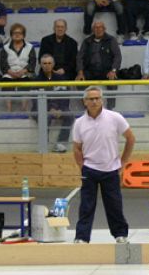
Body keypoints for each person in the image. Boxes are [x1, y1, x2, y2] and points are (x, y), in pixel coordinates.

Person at [72, 86, 135, 243]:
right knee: (86, 206)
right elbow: (77, 148)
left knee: (114, 205)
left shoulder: (115, 117)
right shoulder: (79, 123)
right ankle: (81, 237)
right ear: (84, 102)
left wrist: (123, 161)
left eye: (97, 98)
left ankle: (120, 235)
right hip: (89, 170)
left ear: (102, 100)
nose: (94, 101)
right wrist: (82, 167)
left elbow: (130, 138)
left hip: (111, 169)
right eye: (90, 99)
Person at [76, 19, 121, 109]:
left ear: (104, 29)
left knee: (113, 82)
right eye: (96, 28)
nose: (98, 29)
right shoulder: (87, 41)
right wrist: (80, 72)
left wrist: (113, 70)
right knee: (80, 83)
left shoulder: (111, 40)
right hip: (90, 70)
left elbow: (117, 56)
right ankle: (86, 107)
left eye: (100, 27)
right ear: (93, 30)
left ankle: (110, 108)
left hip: (107, 70)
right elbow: (79, 57)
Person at [35, 54, 71, 153]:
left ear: (53, 64)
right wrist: (50, 109)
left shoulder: (60, 78)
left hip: (59, 107)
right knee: (45, 116)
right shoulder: (36, 80)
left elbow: (65, 96)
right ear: (40, 65)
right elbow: (35, 101)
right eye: (44, 63)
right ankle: (44, 144)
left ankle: (61, 144)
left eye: (49, 63)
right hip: (43, 108)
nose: (47, 65)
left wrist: (60, 109)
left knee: (70, 115)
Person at [0, 23, 36, 111]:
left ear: (23, 35)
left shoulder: (30, 47)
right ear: (11, 35)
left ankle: (24, 109)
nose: (17, 35)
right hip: (10, 73)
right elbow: (3, 64)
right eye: (15, 33)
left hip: (24, 73)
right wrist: (11, 72)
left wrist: (23, 71)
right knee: (6, 83)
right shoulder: (5, 48)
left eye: (20, 33)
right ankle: (9, 109)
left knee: (26, 82)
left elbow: (32, 62)